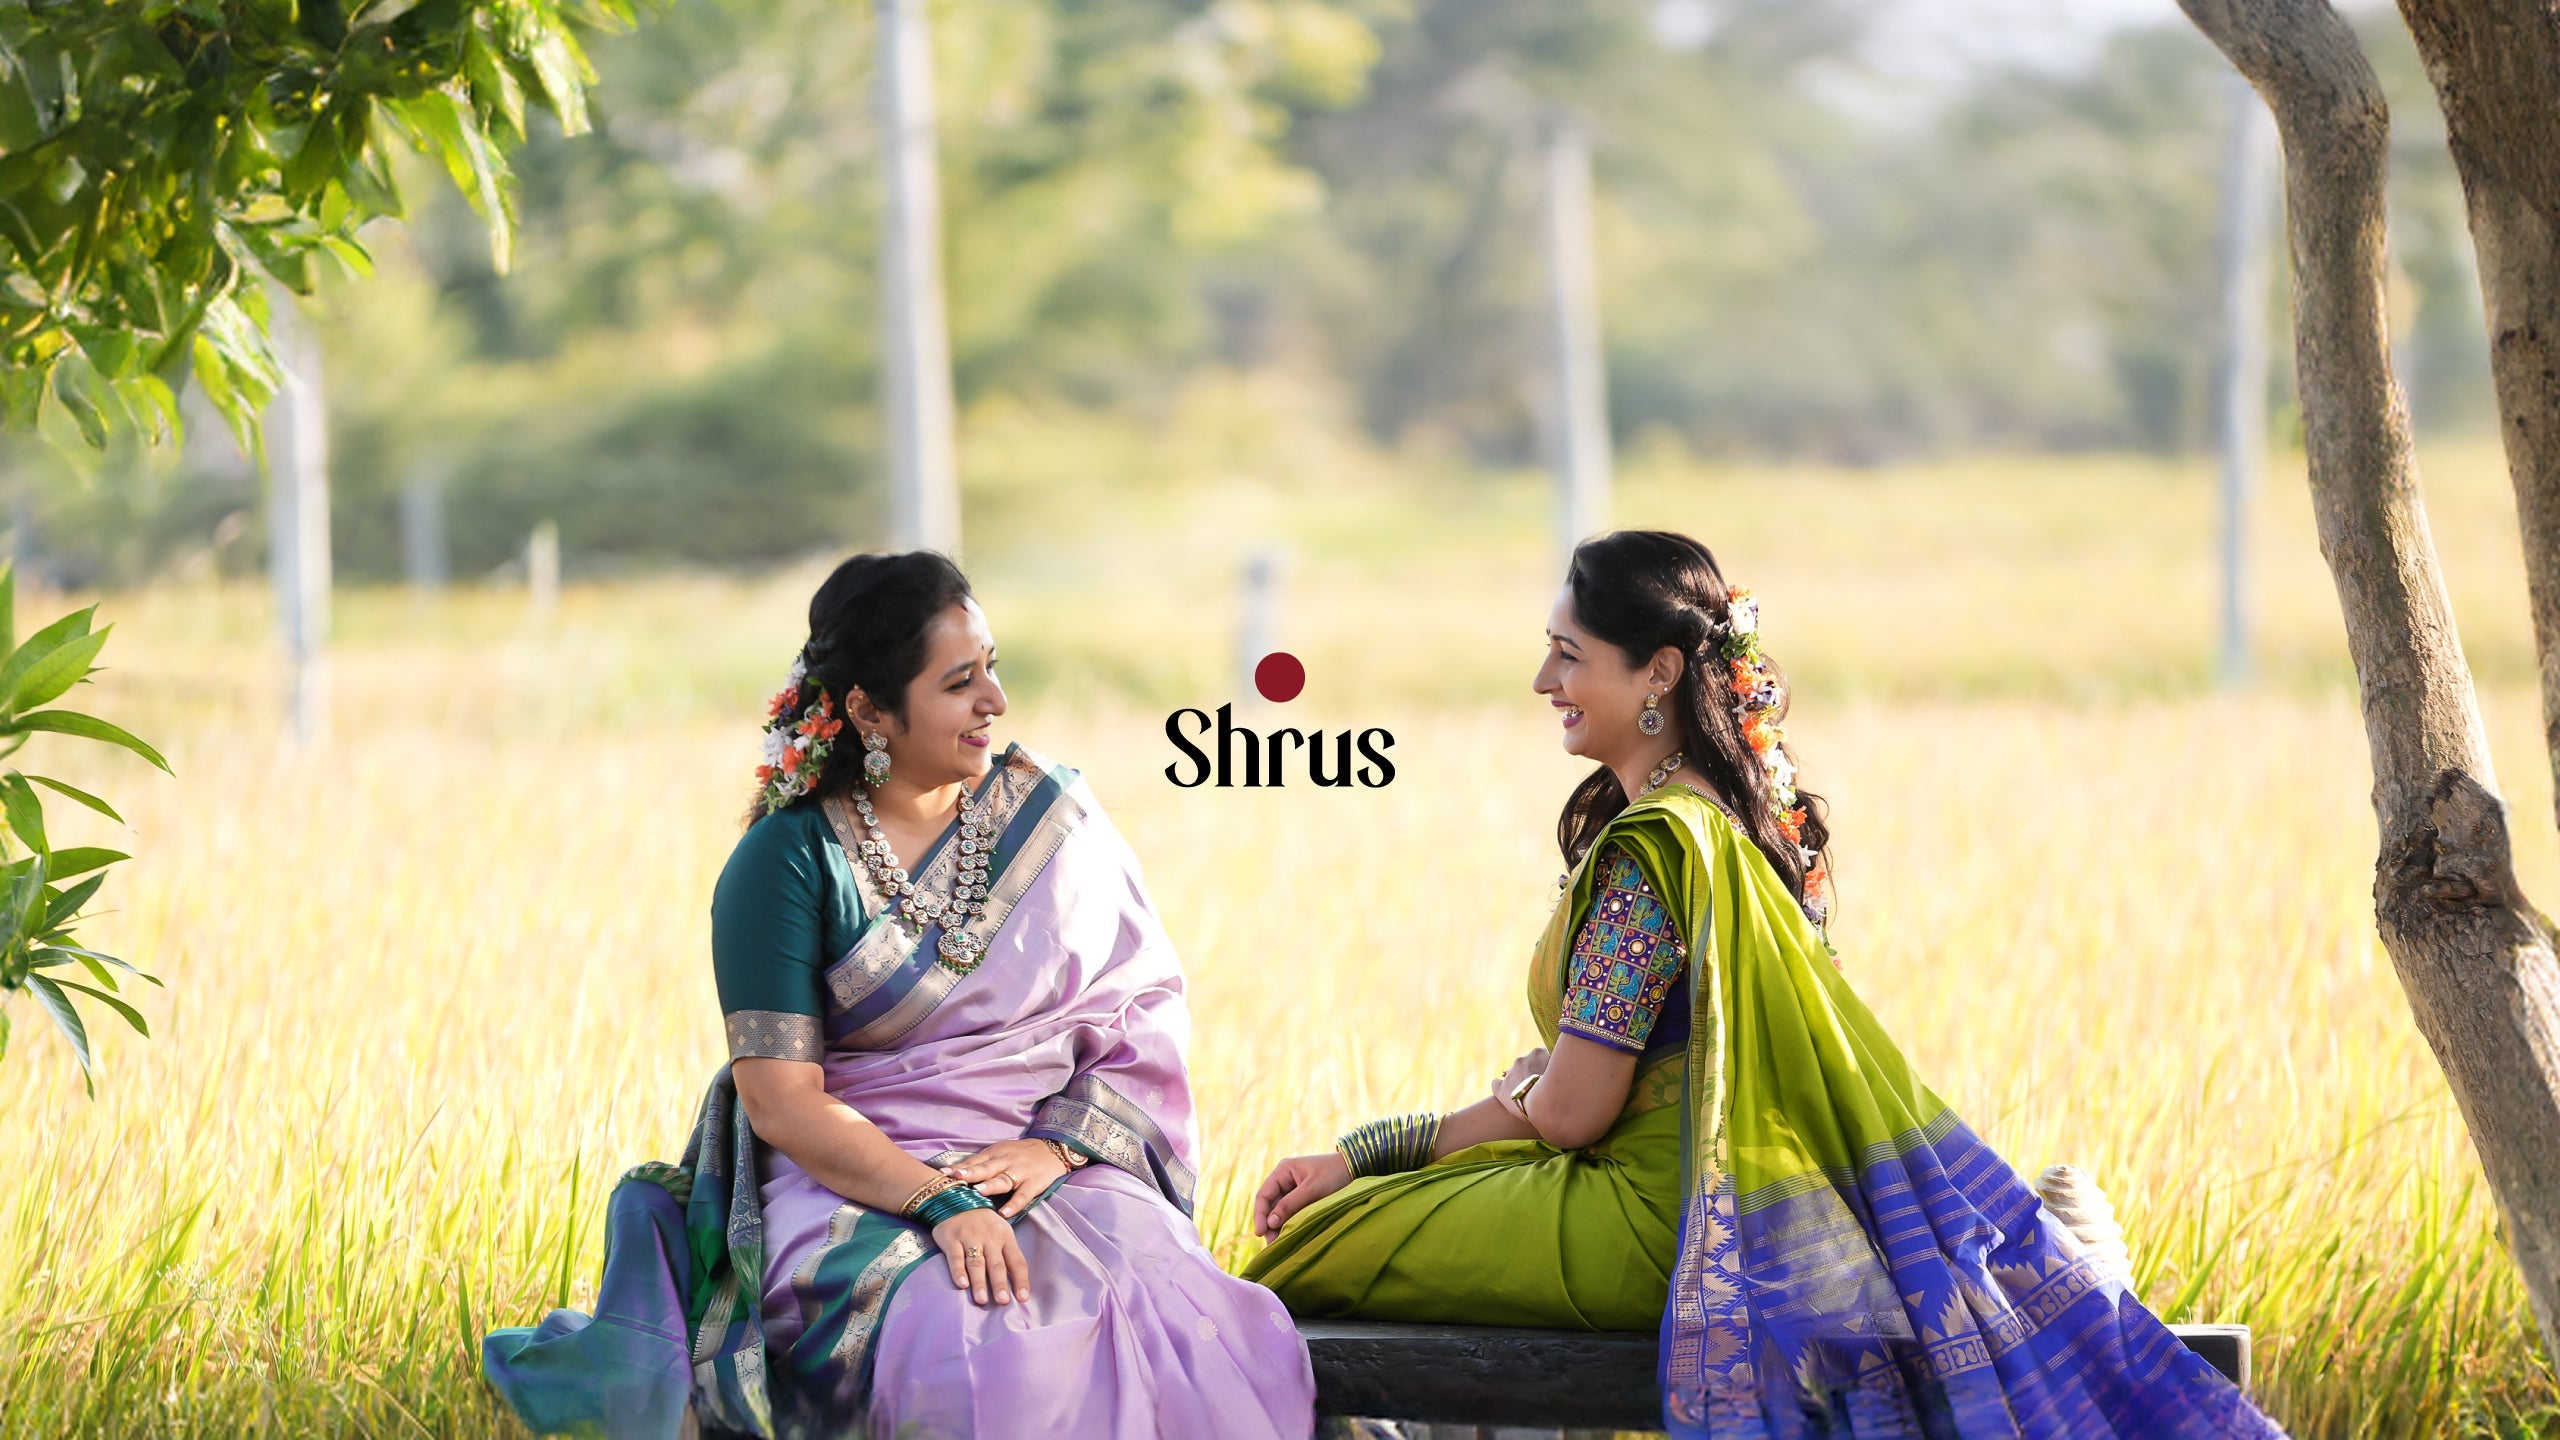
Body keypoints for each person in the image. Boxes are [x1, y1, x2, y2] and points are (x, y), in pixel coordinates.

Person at [1244, 531, 2286, 1438]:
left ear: (1656, 673)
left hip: (1657, 1230)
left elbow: (1569, 1113)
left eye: (1567, 656)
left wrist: (1371, 1148)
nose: (1542, 683)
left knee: (1312, 1246)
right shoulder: (1741, 824)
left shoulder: (1655, 851)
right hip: (1729, 1213)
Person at [485, 551, 1315, 1440]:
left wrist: (1060, 1152)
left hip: (1042, 1157)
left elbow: (1135, 1006)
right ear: (868, 711)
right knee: (970, 1340)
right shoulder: (787, 861)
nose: (994, 700)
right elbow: (782, 1102)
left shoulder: (1055, 824)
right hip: (857, 1177)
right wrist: (936, 1200)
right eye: (960, 682)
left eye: (992, 667)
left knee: (1180, 1306)